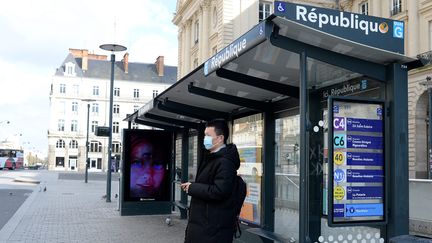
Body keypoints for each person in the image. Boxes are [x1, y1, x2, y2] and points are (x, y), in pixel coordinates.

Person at [181, 119, 240, 243]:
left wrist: (193, 188)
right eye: (204, 135)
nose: (205, 138)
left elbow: (219, 191)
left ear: (220, 138)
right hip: (204, 226)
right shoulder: (212, 158)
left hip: (212, 230)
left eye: (208, 135)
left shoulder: (225, 163)